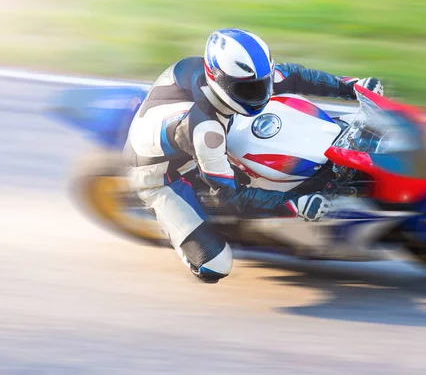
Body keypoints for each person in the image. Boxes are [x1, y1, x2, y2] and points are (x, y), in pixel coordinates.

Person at [123, 28, 384, 283]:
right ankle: (214, 227)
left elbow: (293, 76)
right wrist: (295, 204)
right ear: (219, 79)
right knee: (215, 265)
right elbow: (228, 196)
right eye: (250, 90)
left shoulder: (228, 79)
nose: (261, 94)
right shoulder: (207, 132)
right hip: (162, 175)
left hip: (195, 130)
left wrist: (352, 87)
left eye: (264, 83)